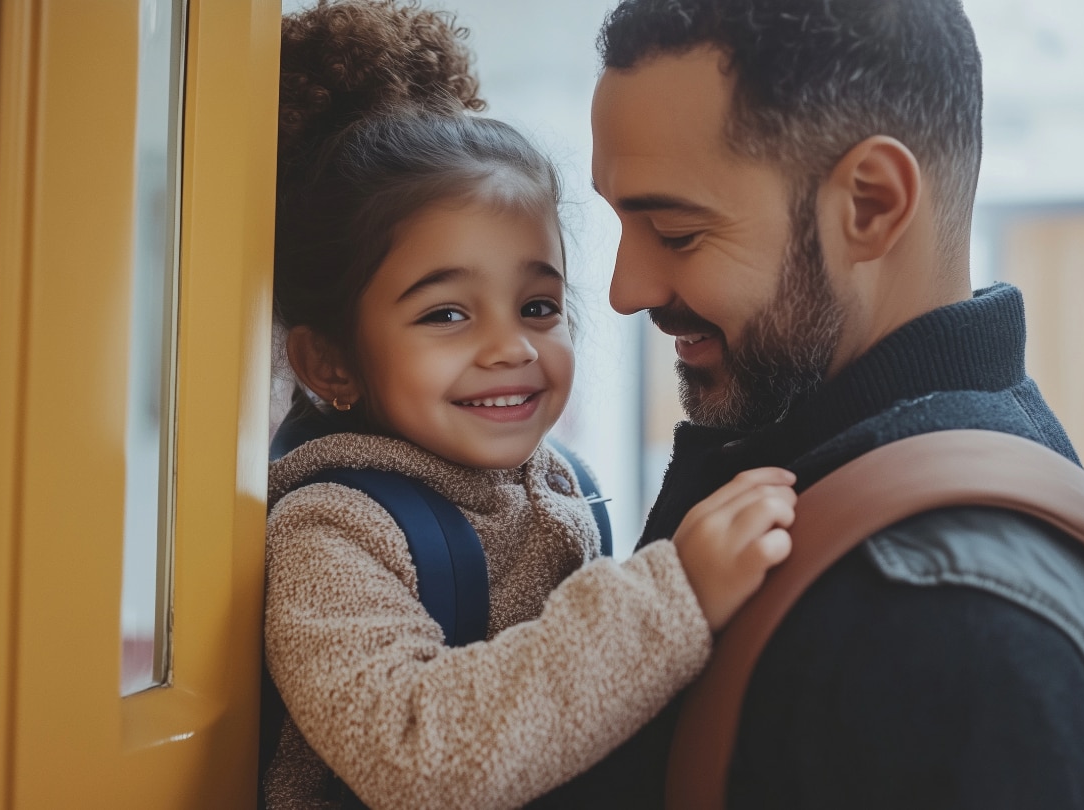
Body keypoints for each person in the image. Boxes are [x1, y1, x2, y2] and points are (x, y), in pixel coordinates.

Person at [569, 0, 1084, 807]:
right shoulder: (845, 481)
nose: (627, 290)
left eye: (677, 232)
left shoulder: (948, 615)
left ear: (870, 204)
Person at [263, 3, 798, 808]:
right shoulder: (332, 534)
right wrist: (671, 593)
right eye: (446, 314)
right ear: (328, 360)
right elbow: (416, 751)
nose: (511, 346)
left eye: (538, 307)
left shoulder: (562, 487)